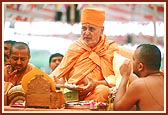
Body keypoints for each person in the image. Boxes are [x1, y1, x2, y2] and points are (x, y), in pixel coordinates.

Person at [50, 8, 134, 102]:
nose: (86, 33)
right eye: (84, 28)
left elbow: (114, 79)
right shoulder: (74, 47)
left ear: (101, 30)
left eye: (91, 29)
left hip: (96, 92)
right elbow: (59, 71)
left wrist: (95, 83)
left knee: (103, 90)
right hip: (72, 91)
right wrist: (56, 82)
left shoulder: (109, 48)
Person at [113, 44, 164, 111]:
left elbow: (118, 109)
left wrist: (125, 76)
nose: (131, 62)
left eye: (133, 59)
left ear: (140, 66)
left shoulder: (139, 84)